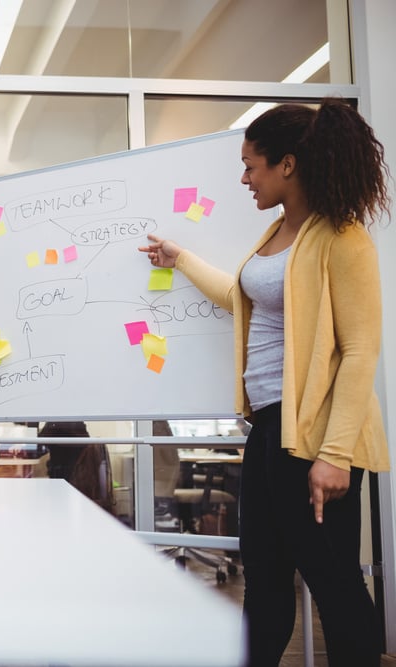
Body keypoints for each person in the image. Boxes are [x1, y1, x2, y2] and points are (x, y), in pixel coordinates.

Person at [139, 98, 390, 666]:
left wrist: (334, 455)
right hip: (269, 430)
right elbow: (241, 298)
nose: (245, 177)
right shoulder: (278, 233)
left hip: (318, 438)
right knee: (266, 580)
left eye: (251, 164)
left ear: (289, 165)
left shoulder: (343, 239)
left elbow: (359, 353)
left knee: (333, 584)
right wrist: (179, 259)